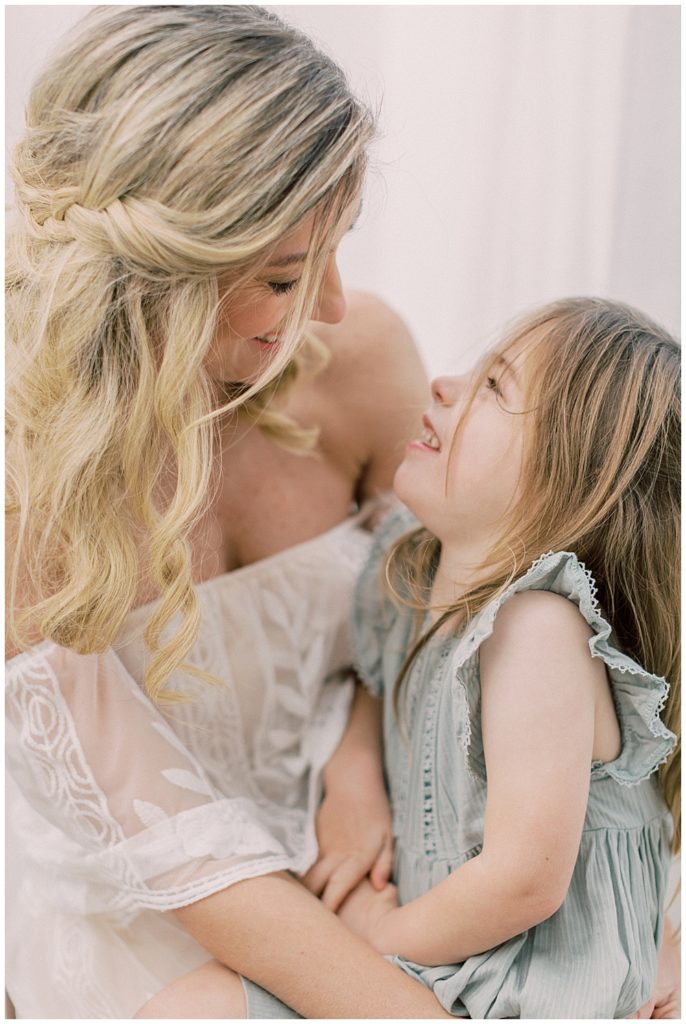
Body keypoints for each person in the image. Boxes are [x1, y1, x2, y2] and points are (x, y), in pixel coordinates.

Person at [5, 6, 449, 1019]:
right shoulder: (24, 480)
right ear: (155, 277)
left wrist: (355, 763)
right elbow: (184, 848)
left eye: (335, 250)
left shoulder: (361, 361)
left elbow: (434, 616)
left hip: (374, 886)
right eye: (286, 276)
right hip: (148, 959)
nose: (332, 303)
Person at [334, 296, 680, 1018]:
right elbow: (378, 682)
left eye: (494, 388)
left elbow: (526, 879)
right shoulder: (414, 574)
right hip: (453, 969)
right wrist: (355, 768)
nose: (443, 385)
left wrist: (377, 936)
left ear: (568, 477)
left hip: (527, 992)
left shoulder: (536, 632)